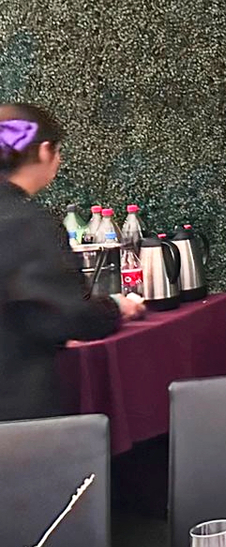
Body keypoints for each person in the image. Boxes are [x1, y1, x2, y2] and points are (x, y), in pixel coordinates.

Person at [0, 103, 144, 422]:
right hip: (18, 412)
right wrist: (114, 307)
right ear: (46, 151)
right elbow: (68, 315)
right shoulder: (28, 224)